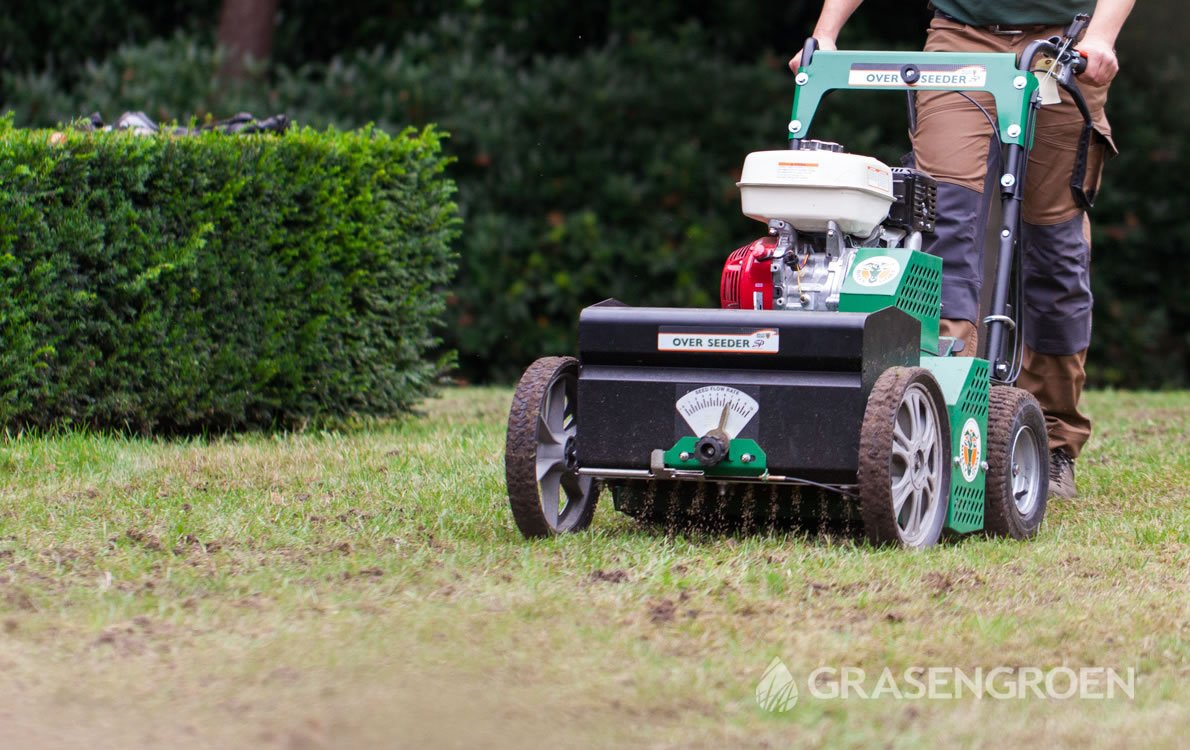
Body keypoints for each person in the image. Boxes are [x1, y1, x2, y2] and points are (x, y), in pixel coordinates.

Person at [789, 0, 1135, 499]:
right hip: (961, 39)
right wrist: (824, 34)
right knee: (943, 223)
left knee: (1056, 253)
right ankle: (948, 420)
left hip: (1066, 45)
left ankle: (1052, 441)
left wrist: (1101, 36)